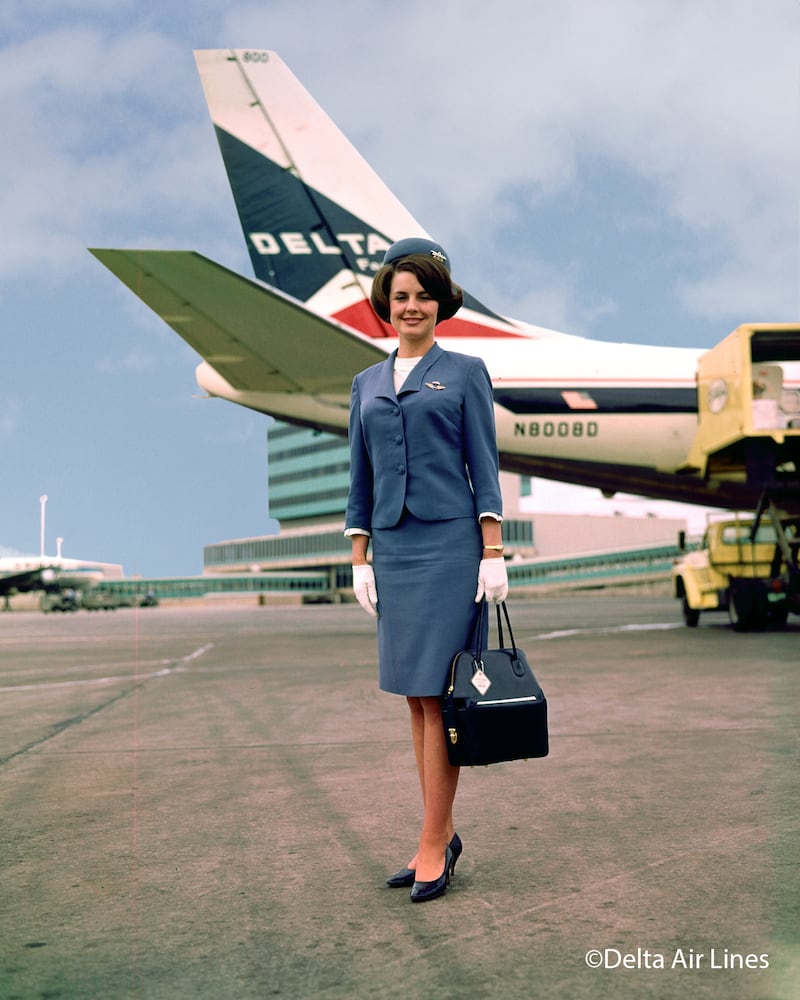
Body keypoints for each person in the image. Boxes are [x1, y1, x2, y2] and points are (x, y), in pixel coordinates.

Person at [345, 238, 508, 902]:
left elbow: (484, 465)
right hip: (393, 548)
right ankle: (437, 830)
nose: (411, 307)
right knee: (414, 698)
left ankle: (433, 841)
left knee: (441, 698)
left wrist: (493, 551)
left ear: (442, 303)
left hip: (449, 547)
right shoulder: (365, 383)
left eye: (423, 296)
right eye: (401, 297)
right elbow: (359, 476)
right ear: (387, 305)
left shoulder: (465, 371)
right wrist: (358, 557)